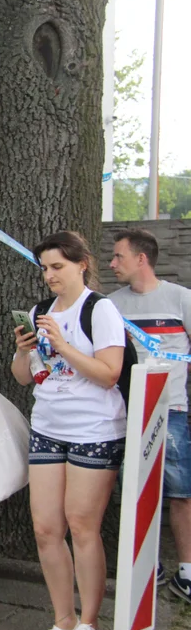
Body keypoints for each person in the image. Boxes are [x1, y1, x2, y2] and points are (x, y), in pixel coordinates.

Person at [11, 231, 127, 630]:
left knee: (81, 525)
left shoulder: (100, 309)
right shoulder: (40, 312)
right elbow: (25, 377)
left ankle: (89, 624)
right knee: (46, 528)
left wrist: (62, 345)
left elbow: (109, 373)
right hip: (48, 424)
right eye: (44, 267)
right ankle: (62, 621)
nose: (49, 275)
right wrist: (25, 353)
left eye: (57, 266)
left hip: (94, 427)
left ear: (81, 264)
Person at [109, 228, 191, 602]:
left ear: (142, 259)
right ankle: (148, 565)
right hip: (127, 411)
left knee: (180, 491)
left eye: (119, 257)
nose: (112, 264)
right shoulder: (110, 305)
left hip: (171, 407)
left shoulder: (180, 299)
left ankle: (186, 570)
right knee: (137, 489)